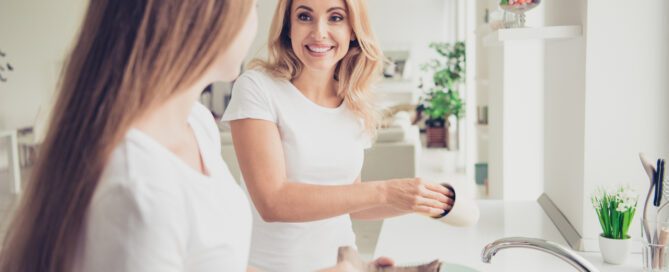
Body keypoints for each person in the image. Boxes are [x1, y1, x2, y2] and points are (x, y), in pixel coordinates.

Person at [0, 1, 387, 271]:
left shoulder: (197, 125)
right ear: (201, 19)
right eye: (248, 7)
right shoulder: (139, 187)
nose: (256, 22)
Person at [222, 0, 456, 271]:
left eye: (335, 18)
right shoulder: (257, 88)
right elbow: (272, 201)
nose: (319, 32)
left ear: (353, 30)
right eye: (304, 16)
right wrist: (385, 191)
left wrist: (417, 199)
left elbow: (352, 202)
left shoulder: (354, 103)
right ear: (288, 27)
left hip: (344, 265)